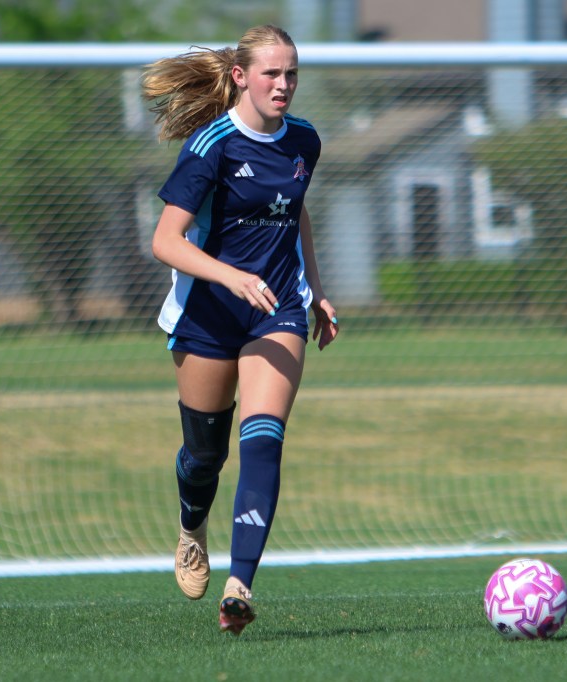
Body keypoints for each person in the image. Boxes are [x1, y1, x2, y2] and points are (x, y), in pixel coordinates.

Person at [142, 24, 339, 635]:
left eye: (292, 74)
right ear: (240, 77)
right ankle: (191, 525)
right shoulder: (212, 146)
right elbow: (164, 242)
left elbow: (295, 206)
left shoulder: (304, 139)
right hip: (208, 313)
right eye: (271, 74)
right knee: (205, 455)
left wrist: (318, 288)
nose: (283, 85)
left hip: (275, 310)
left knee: (264, 434)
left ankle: (240, 585)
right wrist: (229, 276)